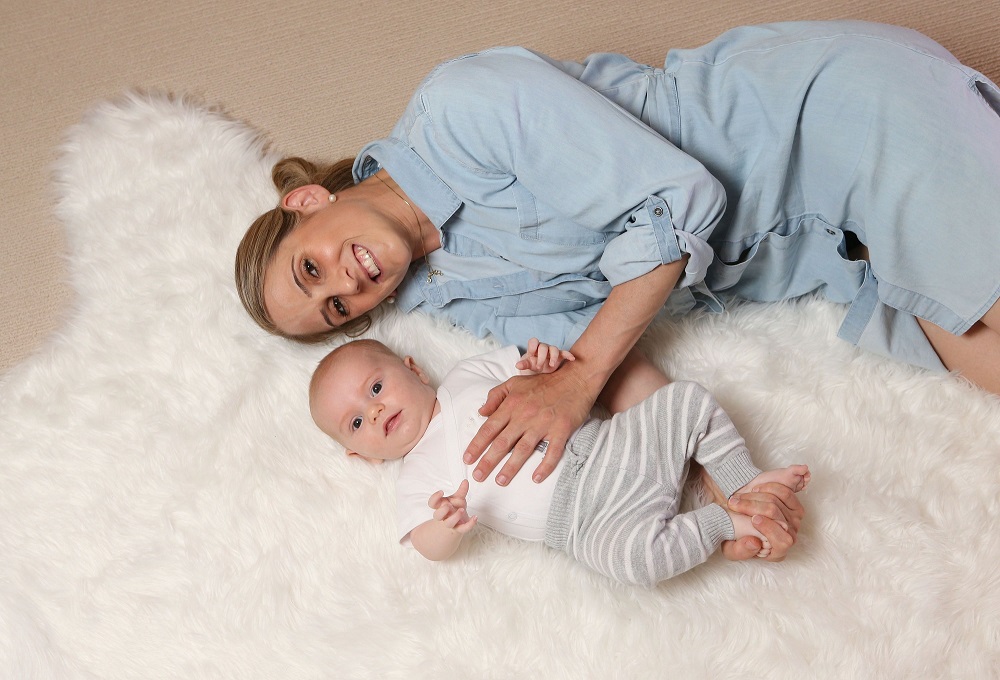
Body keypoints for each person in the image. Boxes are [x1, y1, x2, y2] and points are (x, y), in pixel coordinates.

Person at [235, 20, 999, 558]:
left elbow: (678, 202)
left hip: (843, 116)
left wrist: (579, 378)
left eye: (313, 267)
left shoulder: (463, 105)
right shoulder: (445, 295)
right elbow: (604, 347)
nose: (347, 286)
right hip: (839, 252)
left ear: (306, 204)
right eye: (337, 309)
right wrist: (725, 491)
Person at [309, 337, 810, 585]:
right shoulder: (419, 477)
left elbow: (541, 369)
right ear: (360, 455)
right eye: (356, 423)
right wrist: (445, 525)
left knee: (686, 402)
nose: (374, 411)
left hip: (610, 444)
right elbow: (427, 546)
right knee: (636, 564)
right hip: (583, 523)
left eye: (375, 388)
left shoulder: (467, 375)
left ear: (410, 367)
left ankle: (745, 483)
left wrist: (543, 362)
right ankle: (723, 523)